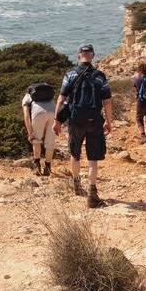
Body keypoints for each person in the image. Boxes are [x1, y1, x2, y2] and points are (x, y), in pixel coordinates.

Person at [54, 44, 113, 208]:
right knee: (93, 159)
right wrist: (108, 121)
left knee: (75, 153)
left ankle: (76, 184)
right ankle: (92, 192)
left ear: (78, 55)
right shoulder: (100, 76)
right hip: (95, 120)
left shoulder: (70, 74)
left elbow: (61, 99)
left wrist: (56, 120)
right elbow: (107, 101)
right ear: (92, 55)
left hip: (75, 119)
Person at [21, 82, 56, 176]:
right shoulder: (48, 96)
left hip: (38, 113)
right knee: (50, 142)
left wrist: (30, 133)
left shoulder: (27, 97)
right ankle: (47, 168)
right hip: (53, 111)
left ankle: (36, 165)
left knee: (36, 140)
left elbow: (26, 115)